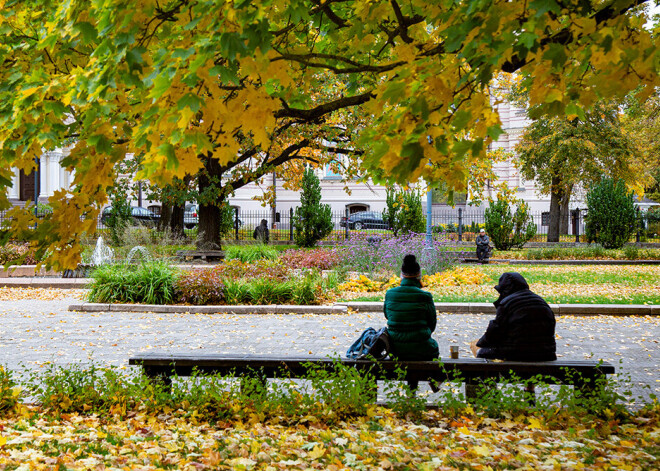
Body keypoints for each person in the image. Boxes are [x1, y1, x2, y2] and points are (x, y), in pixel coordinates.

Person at [470, 272, 556, 362]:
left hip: (516, 354)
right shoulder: (541, 302)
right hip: (546, 354)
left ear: (505, 289)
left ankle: (491, 375)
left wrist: (481, 342)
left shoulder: (507, 303)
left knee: (475, 345)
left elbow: (494, 332)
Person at [384, 254, 439, 361]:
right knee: (433, 347)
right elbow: (432, 324)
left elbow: (387, 316)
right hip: (423, 349)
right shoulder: (425, 296)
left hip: (395, 350)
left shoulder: (390, 294)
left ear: (401, 275)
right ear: (419, 275)